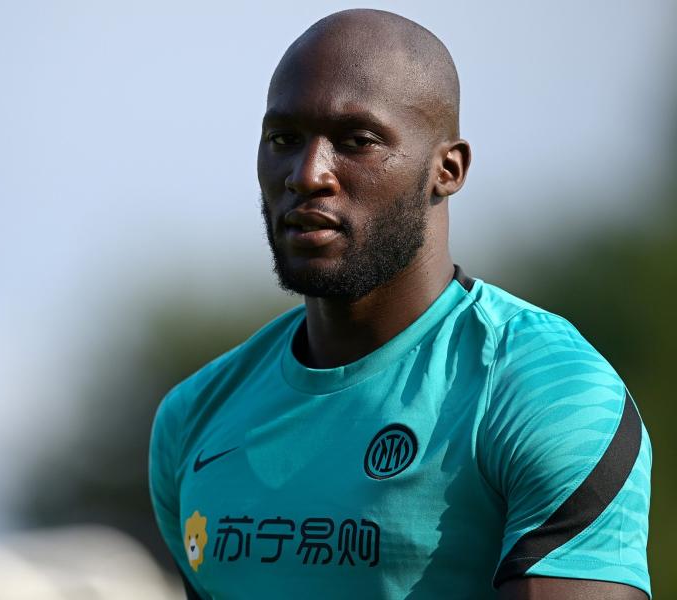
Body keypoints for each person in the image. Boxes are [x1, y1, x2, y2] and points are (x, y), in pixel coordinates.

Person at [148, 9, 651, 600]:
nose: (308, 174)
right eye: (284, 140)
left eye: (356, 141)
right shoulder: (194, 418)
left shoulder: (546, 390)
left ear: (448, 169)